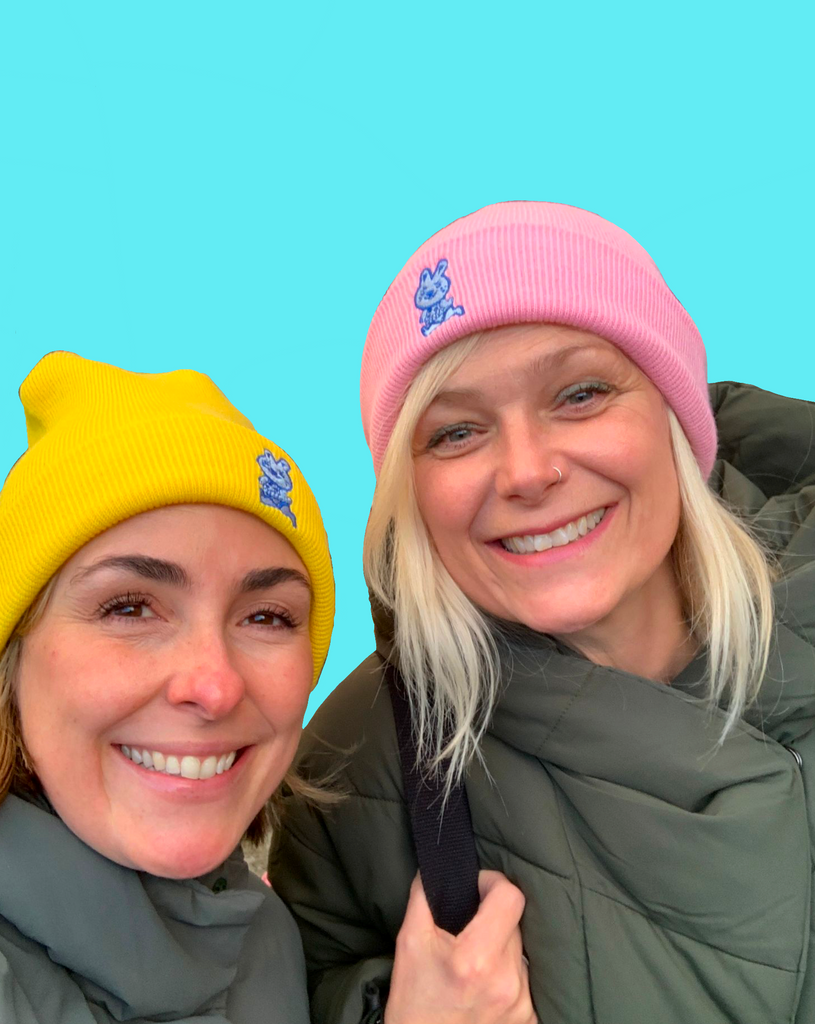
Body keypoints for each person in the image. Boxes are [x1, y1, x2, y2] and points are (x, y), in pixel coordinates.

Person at [269, 202, 815, 1024]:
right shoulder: (350, 773)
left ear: (674, 417)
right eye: (454, 433)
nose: (525, 471)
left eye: (581, 394)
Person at [0, 351, 337, 1023]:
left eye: (267, 616)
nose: (213, 686)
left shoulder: (268, 936)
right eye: (128, 607)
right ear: (14, 651)